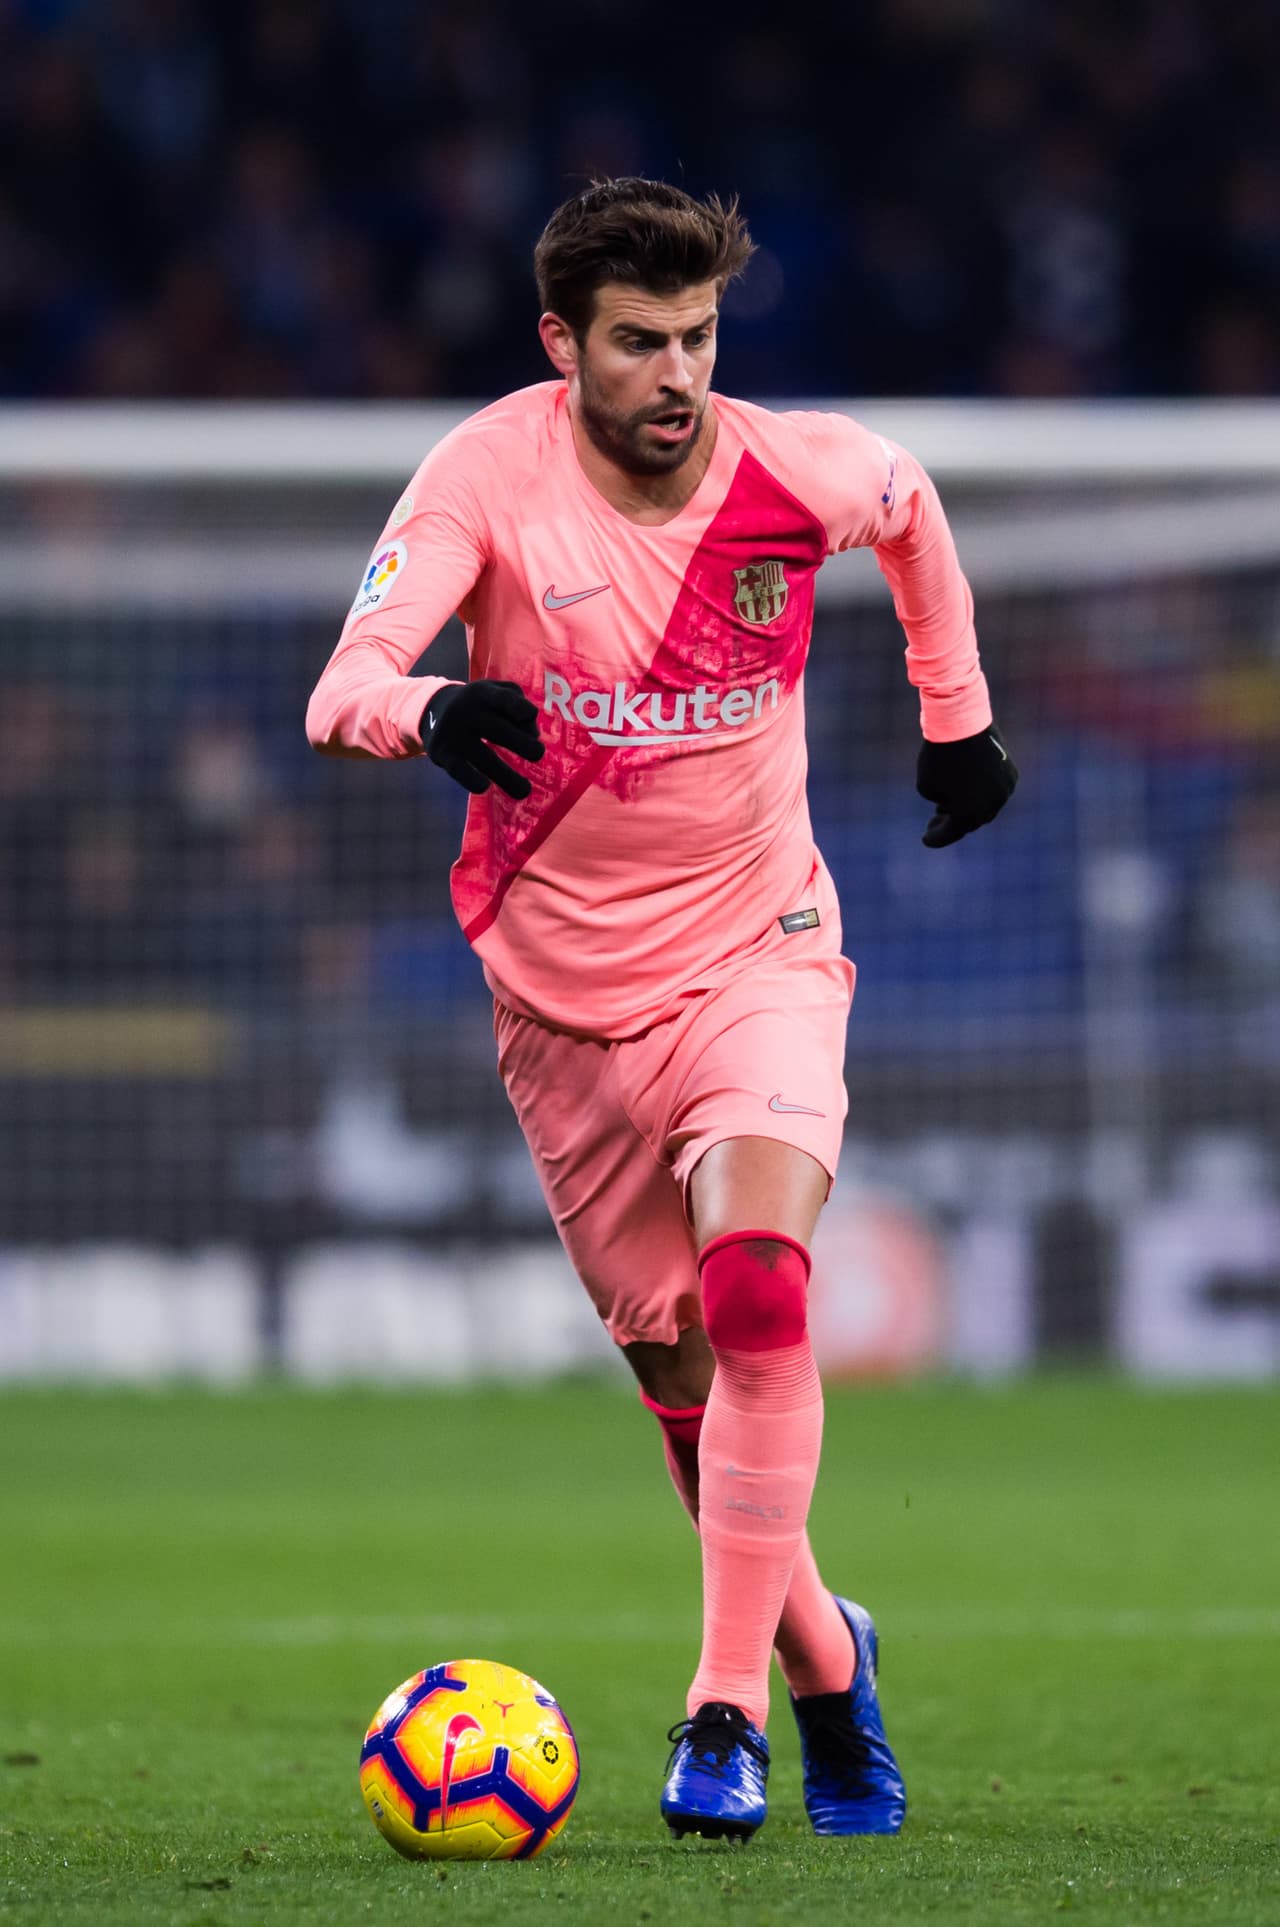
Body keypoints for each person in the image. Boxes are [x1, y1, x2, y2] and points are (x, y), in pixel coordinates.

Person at [306, 177, 1017, 1843]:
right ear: (565, 346)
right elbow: (343, 686)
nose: (677, 372)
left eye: (698, 335)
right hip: (560, 1007)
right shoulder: (488, 474)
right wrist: (433, 707)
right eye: (638, 342)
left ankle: (727, 1721)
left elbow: (911, 509)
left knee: (761, 1286)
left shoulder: (796, 469)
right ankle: (835, 1667)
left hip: (759, 947)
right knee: (695, 1403)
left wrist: (956, 715)